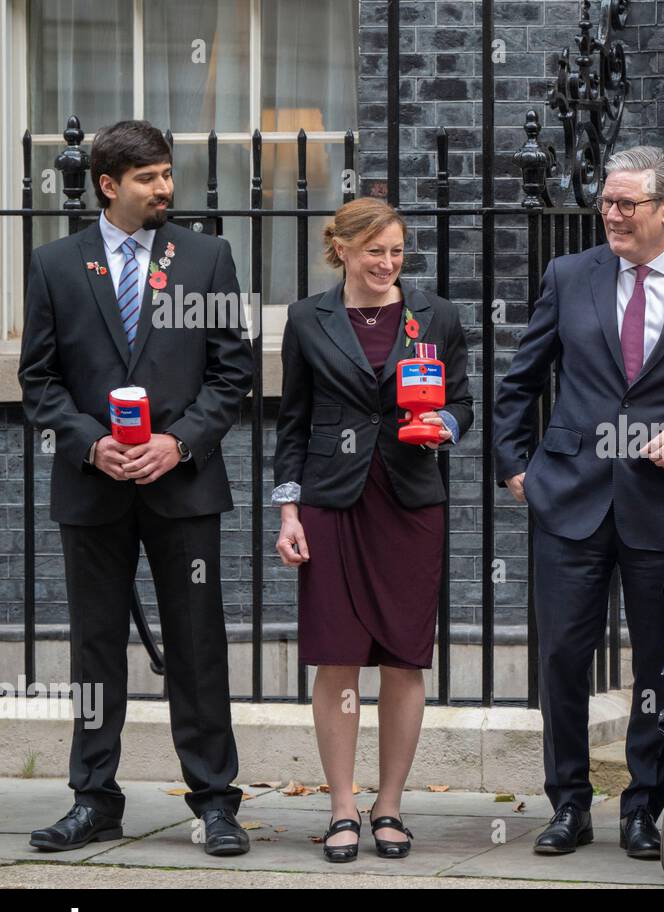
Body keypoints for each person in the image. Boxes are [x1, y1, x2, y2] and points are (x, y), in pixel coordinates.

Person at [493, 147, 664, 857]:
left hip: (662, 507)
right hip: (569, 497)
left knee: (656, 664)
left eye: (625, 204)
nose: (610, 214)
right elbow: (521, 379)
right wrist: (515, 467)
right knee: (563, 659)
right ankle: (568, 805)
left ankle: (644, 806)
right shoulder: (569, 276)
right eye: (607, 203)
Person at [20, 120, 254, 856]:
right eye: (149, 177)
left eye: (166, 174)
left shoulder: (208, 257)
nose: (165, 188)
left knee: (197, 643)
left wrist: (176, 442)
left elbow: (233, 375)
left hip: (182, 486)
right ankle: (95, 799)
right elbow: (40, 380)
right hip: (93, 492)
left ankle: (215, 802)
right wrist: (92, 447)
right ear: (108, 185)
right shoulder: (56, 264)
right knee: (94, 649)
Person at [272, 198, 473, 862]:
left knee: (404, 657)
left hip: (410, 499)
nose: (388, 263)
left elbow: (464, 400)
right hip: (333, 501)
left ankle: (389, 804)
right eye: (374, 251)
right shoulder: (307, 318)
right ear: (342, 251)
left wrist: (443, 426)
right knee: (338, 658)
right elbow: (292, 423)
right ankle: (342, 807)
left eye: (396, 251)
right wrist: (289, 511)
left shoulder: (435, 316)